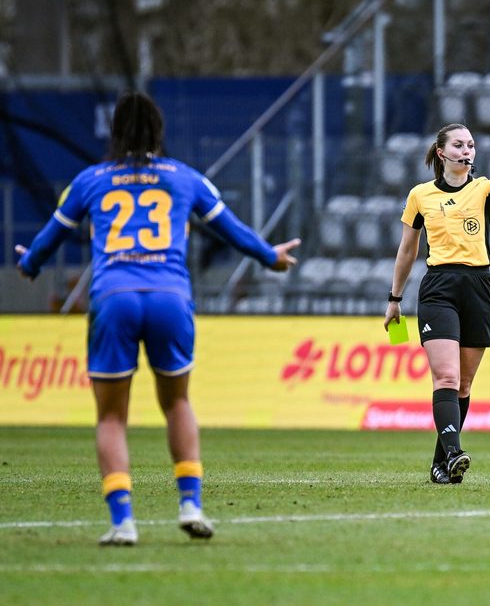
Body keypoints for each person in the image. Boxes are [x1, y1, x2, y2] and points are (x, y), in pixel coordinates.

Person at [15, 91, 300, 545]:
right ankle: (190, 504)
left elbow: (49, 239)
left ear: (114, 133)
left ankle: (123, 521)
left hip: (114, 296)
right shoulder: (185, 178)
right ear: (159, 132)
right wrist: (270, 257)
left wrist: (28, 264)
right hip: (170, 296)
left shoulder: (90, 180)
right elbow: (232, 230)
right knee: (177, 403)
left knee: (111, 417)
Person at [383, 123, 490, 485]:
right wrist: (394, 299)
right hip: (439, 289)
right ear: (442, 152)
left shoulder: (483, 188)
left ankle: (440, 463)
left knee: (464, 385)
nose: (467, 151)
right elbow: (407, 250)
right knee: (446, 376)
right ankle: (456, 452)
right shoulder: (420, 196)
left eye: (471, 145)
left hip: (478, 287)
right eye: (459, 145)